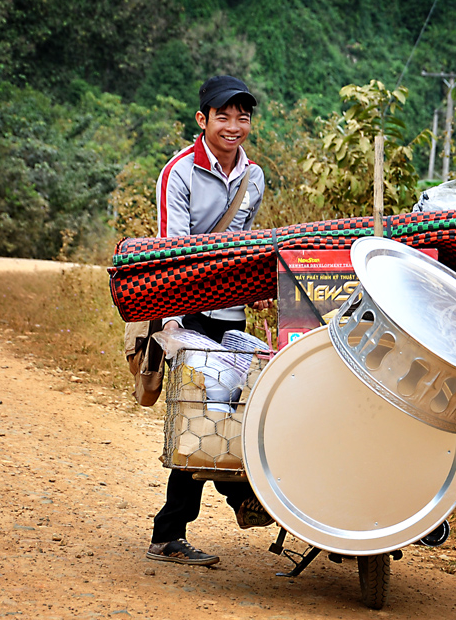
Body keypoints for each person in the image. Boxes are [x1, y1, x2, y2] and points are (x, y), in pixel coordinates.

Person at [140, 75, 274, 567]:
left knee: (235, 409)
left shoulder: (253, 176)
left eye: (244, 117)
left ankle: (187, 523)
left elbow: (247, 244)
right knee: (201, 416)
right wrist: (172, 327)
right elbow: (170, 253)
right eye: (224, 115)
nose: (235, 125)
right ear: (203, 119)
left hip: (230, 311)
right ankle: (206, 514)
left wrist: (256, 293)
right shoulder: (178, 173)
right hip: (186, 310)